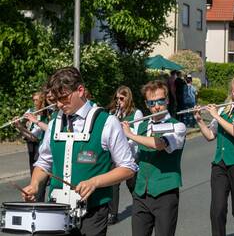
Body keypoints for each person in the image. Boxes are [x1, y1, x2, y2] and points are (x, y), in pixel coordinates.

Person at [22, 67, 137, 236]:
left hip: (93, 211)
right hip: (57, 209)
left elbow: (128, 168)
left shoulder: (107, 122)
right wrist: (34, 185)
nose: (60, 104)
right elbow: (44, 162)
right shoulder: (54, 124)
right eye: (56, 100)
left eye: (64, 98)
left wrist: (94, 182)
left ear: (80, 90)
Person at [194, 73, 234, 236]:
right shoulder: (224, 109)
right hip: (219, 165)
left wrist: (215, 115)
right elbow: (210, 136)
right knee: (217, 211)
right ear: (231, 91)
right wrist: (200, 120)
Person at [122, 80, 186, 236]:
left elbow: (159, 144)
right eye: (152, 103)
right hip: (141, 193)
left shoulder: (177, 126)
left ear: (167, 100)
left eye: (160, 101)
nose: (156, 106)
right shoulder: (141, 125)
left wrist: (130, 134)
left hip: (165, 193)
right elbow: (133, 154)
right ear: (146, 104)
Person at [107, 85, 143, 225]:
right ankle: (113, 213)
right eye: (117, 99)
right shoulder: (113, 113)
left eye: (121, 99)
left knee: (131, 183)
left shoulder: (136, 113)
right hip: (115, 155)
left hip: (130, 154)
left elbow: (137, 135)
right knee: (113, 184)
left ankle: (140, 204)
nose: (118, 102)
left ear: (128, 98)